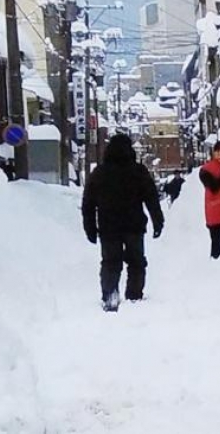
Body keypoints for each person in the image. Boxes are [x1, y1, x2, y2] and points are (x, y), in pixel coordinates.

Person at [82, 133, 164, 312]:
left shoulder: (99, 173)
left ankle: (110, 293)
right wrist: (158, 221)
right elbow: (151, 198)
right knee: (136, 262)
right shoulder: (138, 171)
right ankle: (134, 295)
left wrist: (90, 228)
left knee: (110, 262)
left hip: (108, 227)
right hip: (134, 225)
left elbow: (88, 203)